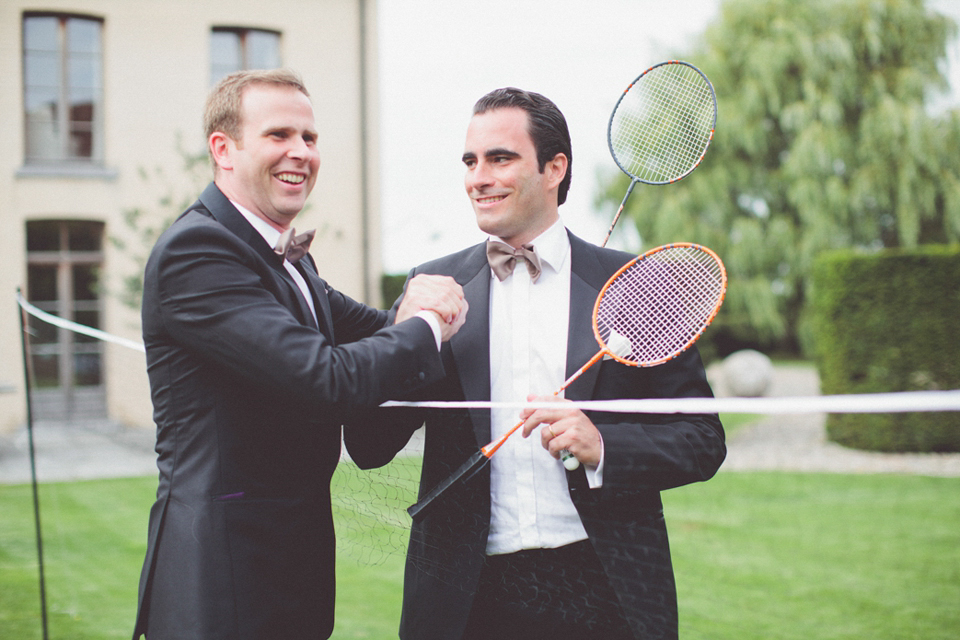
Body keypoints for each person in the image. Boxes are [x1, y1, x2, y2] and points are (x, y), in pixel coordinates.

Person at [345, 88, 726, 640]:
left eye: (500, 158)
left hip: (605, 583)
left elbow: (702, 440)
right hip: (466, 595)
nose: (478, 177)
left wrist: (603, 448)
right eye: (470, 161)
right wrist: (409, 331)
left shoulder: (635, 287)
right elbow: (369, 445)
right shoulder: (431, 287)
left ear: (555, 168)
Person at [132, 69, 466, 640]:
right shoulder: (198, 252)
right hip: (222, 581)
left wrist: (460, 299)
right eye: (278, 135)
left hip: (293, 571)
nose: (301, 153)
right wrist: (432, 320)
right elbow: (326, 378)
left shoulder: (290, 261)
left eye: (309, 138)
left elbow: (380, 331)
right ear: (224, 149)